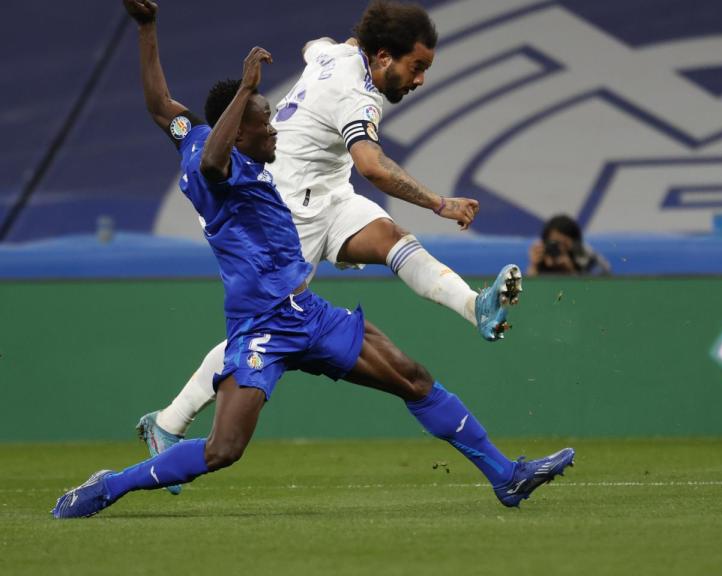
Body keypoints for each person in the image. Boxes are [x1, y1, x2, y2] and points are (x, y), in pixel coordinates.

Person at [51, 0, 573, 519]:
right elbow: (217, 162)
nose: (278, 128)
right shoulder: (222, 174)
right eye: (265, 123)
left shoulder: (200, 139)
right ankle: (111, 485)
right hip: (262, 327)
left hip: (307, 314)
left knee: (413, 377)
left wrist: (147, 27)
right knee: (223, 451)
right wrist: (249, 91)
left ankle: (507, 477)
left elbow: (159, 102)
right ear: (239, 132)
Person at [526, 214, 611, 277]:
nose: (559, 248)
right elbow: (529, 293)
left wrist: (571, 271)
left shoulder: (585, 255)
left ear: (575, 243)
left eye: (564, 244)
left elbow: (598, 288)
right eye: (554, 243)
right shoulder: (541, 253)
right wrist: (534, 266)